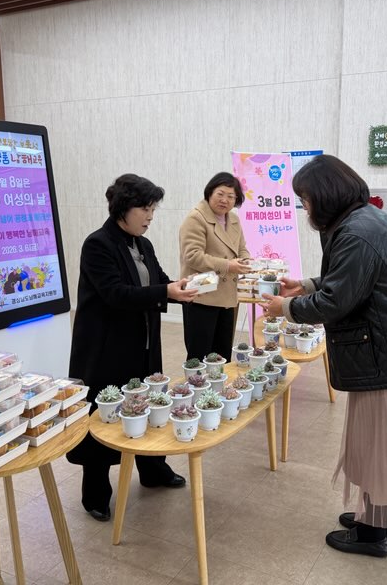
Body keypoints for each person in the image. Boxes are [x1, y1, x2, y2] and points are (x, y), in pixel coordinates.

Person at [261, 155, 387, 558]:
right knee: (382, 445)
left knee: (379, 446)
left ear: (325, 195)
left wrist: (284, 308)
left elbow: (337, 300)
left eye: (305, 200)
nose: (305, 209)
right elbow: (351, 278)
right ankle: (378, 519)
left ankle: (372, 534)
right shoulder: (364, 221)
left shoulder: (356, 232)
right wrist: (304, 285)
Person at [67, 174, 198, 522]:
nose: (150, 215)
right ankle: (95, 493)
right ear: (123, 207)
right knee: (104, 417)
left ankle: (153, 471)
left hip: (142, 344)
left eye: (153, 208)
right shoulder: (98, 244)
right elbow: (115, 294)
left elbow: (156, 280)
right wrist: (165, 292)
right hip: (106, 348)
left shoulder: (143, 243)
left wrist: (180, 287)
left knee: (149, 407)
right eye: (145, 207)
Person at [179, 172, 251, 361]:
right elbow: (192, 256)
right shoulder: (196, 218)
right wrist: (228, 265)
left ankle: (219, 390)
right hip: (202, 293)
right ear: (210, 192)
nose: (225, 200)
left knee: (222, 353)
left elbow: (242, 249)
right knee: (200, 353)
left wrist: (247, 262)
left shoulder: (234, 219)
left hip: (227, 295)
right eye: (220, 194)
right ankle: (196, 389)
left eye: (231, 196)